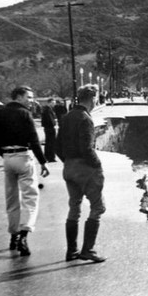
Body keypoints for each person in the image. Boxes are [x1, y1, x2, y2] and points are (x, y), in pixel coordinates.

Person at [0, 86, 50, 256]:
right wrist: (43, 162)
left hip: (8, 158)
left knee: (11, 199)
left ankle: (13, 235)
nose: (31, 100)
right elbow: (34, 140)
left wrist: (3, 154)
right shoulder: (25, 114)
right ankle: (23, 237)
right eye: (29, 97)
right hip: (23, 156)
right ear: (18, 96)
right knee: (30, 198)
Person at [56, 84, 106, 263]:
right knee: (98, 207)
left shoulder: (67, 117)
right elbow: (87, 148)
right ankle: (88, 250)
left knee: (74, 207)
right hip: (85, 168)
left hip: (68, 166)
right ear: (93, 98)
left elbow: (57, 146)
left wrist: (68, 161)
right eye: (97, 98)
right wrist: (97, 166)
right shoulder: (85, 118)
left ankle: (71, 251)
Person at [41, 98, 57, 162]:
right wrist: (54, 123)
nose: (54, 104)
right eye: (53, 103)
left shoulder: (46, 109)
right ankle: (51, 157)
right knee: (51, 143)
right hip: (50, 128)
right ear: (49, 102)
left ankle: (47, 156)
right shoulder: (48, 110)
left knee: (48, 143)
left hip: (47, 128)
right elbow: (50, 120)